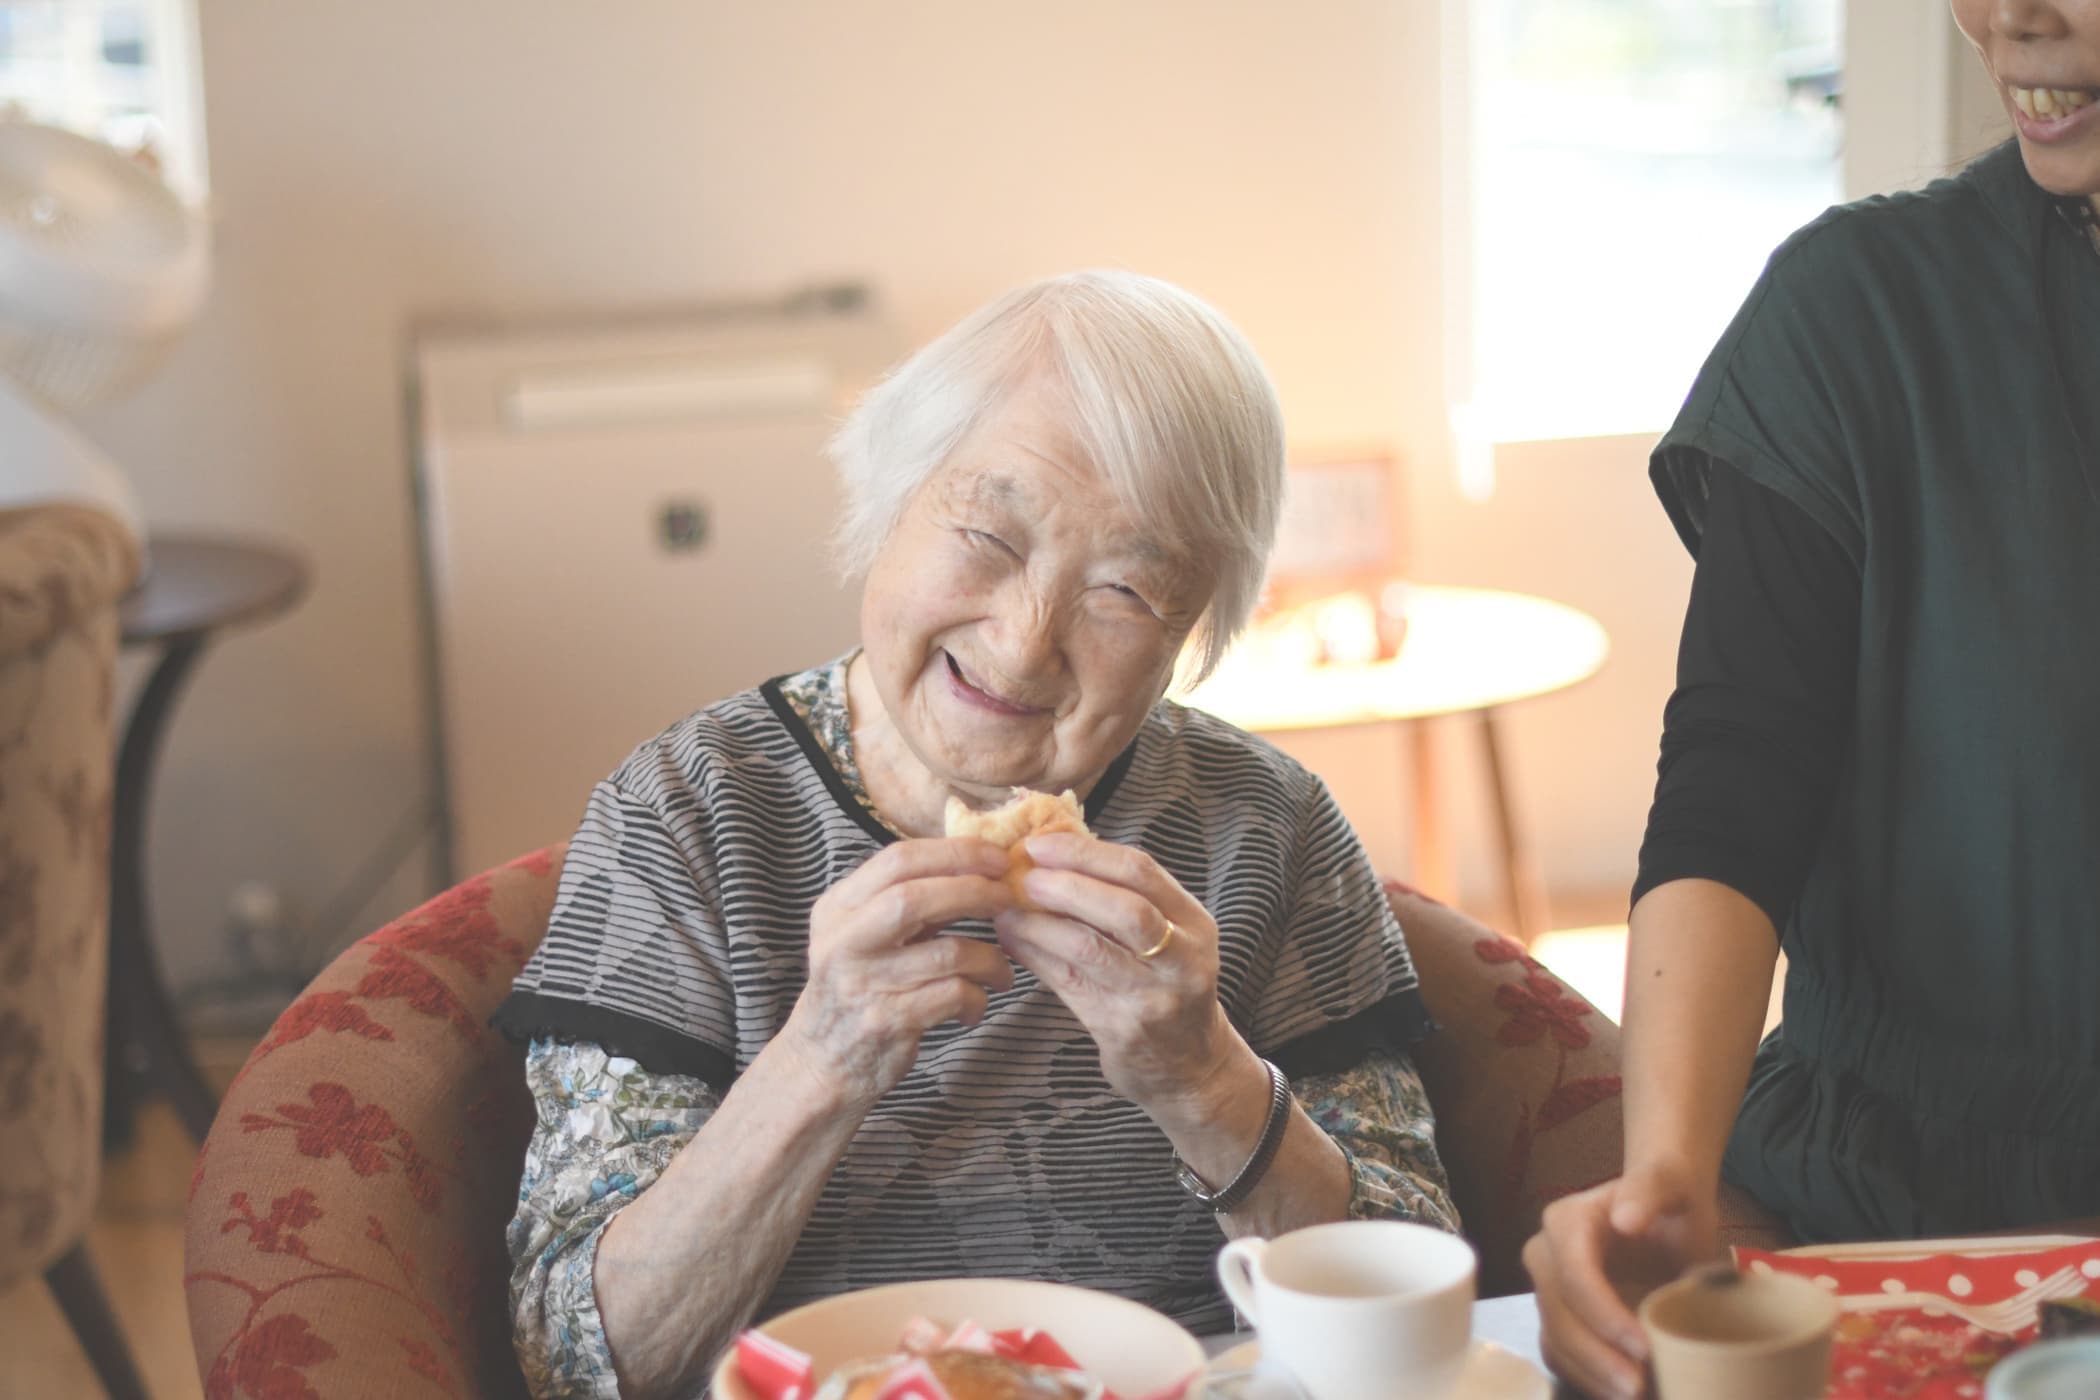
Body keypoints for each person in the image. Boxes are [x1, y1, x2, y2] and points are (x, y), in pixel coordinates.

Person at [491, 270, 1460, 1399]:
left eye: (1126, 593)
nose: (1023, 642)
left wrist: (1206, 1077)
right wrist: (823, 1053)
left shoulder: (1266, 826)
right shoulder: (688, 814)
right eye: (988, 535)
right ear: (888, 498)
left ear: (1192, 630)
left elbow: (1412, 1318)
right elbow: (577, 1363)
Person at [1524, 2, 2100, 1395]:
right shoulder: (1859, 314)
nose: (2001, 17)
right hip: (1894, 1211)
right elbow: (1737, 771)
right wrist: (1667, 1179)